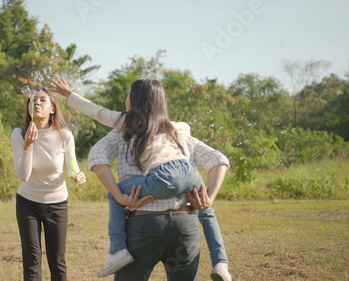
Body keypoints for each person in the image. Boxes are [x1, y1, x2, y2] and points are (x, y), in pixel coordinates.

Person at [49, 77, 231, 280]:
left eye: (128, 95)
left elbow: (97, 142)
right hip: (186, 222)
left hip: (145, 225)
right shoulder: (178, 131)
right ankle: (221, 263)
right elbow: (218, 159)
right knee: (207, 210)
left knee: (116, 193)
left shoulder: (124, 127)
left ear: (134, 101)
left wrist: (69, 95)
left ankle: (117, 250)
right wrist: (210, 196)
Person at [11, 86, 86, 281]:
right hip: (27, 203)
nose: (36, 102)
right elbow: (23, 176)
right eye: (33, 100)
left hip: (57, 204)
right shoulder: (19, 134)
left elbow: (71, 167)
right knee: (32, 260)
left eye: (42, 99)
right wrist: (28, 145)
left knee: (57, 260)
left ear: (52, 108)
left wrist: (78, 175)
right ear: (28, 107)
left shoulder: (65, 136)